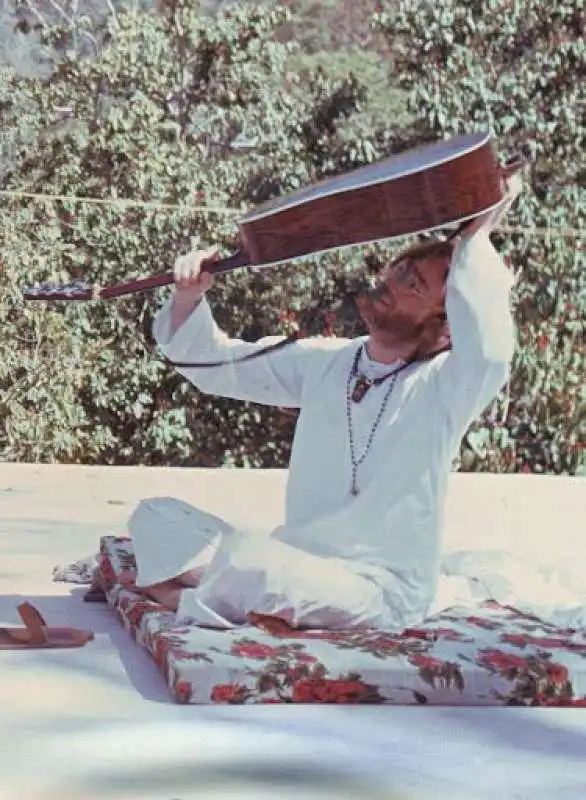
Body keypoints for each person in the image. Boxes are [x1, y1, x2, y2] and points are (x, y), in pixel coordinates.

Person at [128, 173, 522, 634]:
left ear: (449, 324)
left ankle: (187, 597)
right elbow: (219, 366)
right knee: (157, 516)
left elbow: (491, 350)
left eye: (414, 286)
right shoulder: (327, 362)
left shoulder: (445, 387)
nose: (393, 284)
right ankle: (225, 592)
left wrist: (475, 237)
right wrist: (188, 296)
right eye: (399, 272)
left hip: (379, 591)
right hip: (300, 563)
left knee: (252, 563)